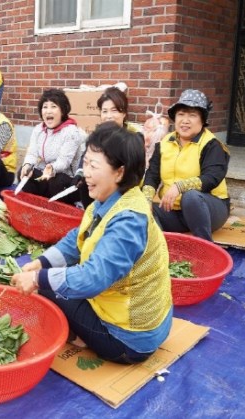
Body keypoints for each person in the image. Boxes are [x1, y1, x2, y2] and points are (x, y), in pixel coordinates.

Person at [12, 122, 173, 364]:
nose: (85, 172)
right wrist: (41, 263)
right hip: (146, 323)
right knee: (53, 275)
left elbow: (93, 278)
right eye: (85, 163)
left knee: (46, 288)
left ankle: (86, 338)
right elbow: (78, 239)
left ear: (119, 172)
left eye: (93, 166)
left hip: (128, 340)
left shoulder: (128, 221)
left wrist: (37, 278)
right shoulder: (112, 199)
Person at [143, 89, 230, 241]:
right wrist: (147, 199)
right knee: (141, 210)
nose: (185, 120)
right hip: (174, 212)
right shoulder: (164, 143)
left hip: (209, 209)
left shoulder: (212, 144)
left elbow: (212, 177)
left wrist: (179, 187)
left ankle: (204, 247)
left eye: (192, 115)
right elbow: (152, 175)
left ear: (202, 120)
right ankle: (162, 247)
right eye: (181, 114)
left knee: (191, 197)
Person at [73, 86, 142, 208]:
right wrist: (79, 174)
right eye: (104, 111)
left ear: (124, 113)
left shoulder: (133, 137)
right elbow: (86, 157)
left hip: (124, 187)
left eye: (114, 110)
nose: (109, 116)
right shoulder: (98, 135)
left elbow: (135, 173)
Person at [18, 89, 86, 204]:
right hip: (45, 176)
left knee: (57, 180)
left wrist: (52, 168)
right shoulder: (38, 129)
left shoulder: (71, 132)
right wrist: (27, 165)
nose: (48, 111)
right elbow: (32, 153)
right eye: (45, 107)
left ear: (62, 111)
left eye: (53, 106)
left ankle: (61, 208)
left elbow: (64, 162)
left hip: (66, 181)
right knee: (24, 173)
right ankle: (37, 205)